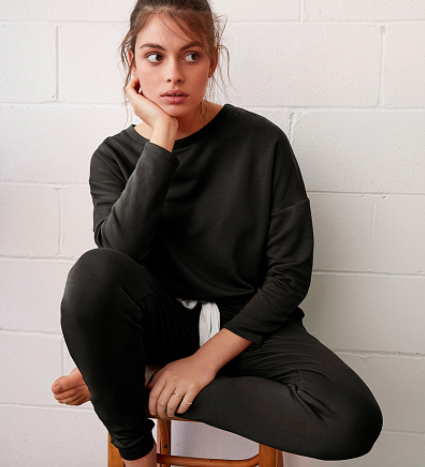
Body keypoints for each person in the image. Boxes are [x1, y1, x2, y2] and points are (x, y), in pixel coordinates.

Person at [51, 1, 384, 466]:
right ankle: (137, 455)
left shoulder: (261, 142)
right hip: (158, 327)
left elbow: (288, 275)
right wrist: (163, 134)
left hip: (247, 328)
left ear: (212, 59)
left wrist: (201, 364)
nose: (173, 74)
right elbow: (118, 258)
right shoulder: (112, 157)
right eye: (154, 56)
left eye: (191, 56)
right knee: (92, 272)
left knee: (352, 421)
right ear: (133, 62)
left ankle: (122, 381)